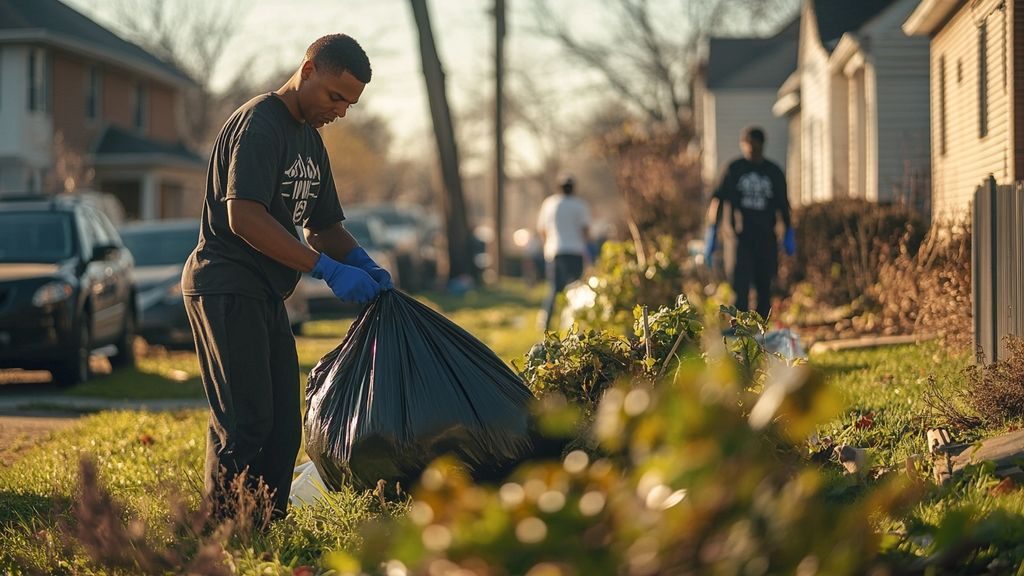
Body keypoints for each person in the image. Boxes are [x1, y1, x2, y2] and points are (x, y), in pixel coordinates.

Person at [181, 34, 392, 520]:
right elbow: (245, 217)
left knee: (282, 430)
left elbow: (324, 227)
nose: (340, 111)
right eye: (335, 96)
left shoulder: (310, 143)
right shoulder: (261, 123)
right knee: (246, 423)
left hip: (265, 292)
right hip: (226, 285)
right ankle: (223, 535)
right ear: (309, 68)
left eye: (351, 103)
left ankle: (266, 526)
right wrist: (323, 269)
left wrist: (362, 262)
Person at [703, 126, 794, 319]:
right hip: (738, 240)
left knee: (764, 287)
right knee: (739, 286)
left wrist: (788, 232)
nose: (752, 151)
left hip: (765, 239)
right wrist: (712, 230)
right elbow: (717, 201)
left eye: (756, 147)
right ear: (743, 145)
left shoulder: (773, 172)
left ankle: (761, 332)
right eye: (748, 146)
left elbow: (784, 206)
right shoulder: (734, 170)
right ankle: (740, 330)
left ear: (763, 146)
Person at [536, 174, 592, 330]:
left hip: (556, 252)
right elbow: (586, 231)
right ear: (573, 188)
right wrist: (587, 249)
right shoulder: (580, 205)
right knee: (575, 290)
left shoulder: (550, 204)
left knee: (554, 289)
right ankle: (573, 324)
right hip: (575, 252)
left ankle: (546, 322)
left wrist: (546, 245)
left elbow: (542, 229)